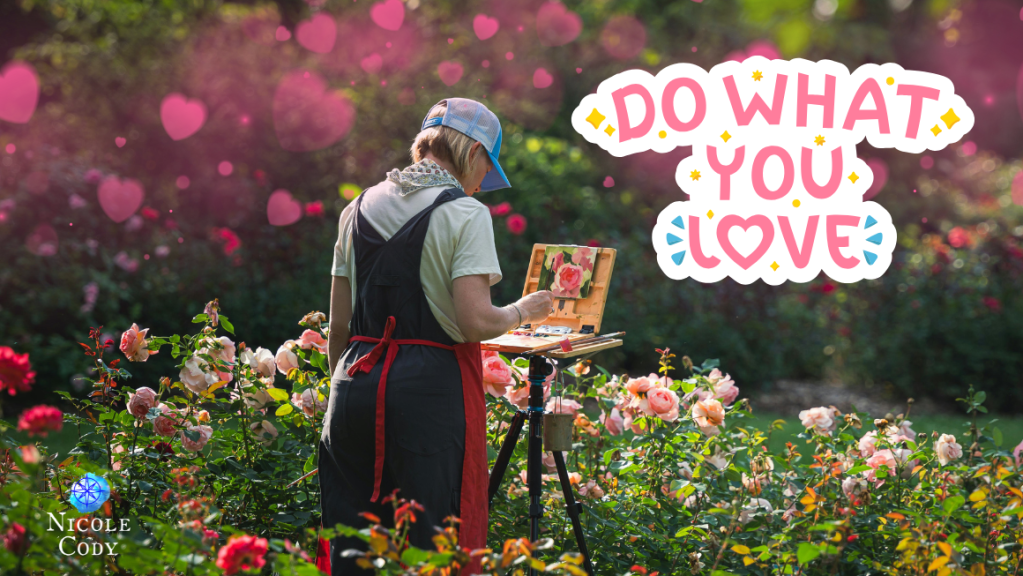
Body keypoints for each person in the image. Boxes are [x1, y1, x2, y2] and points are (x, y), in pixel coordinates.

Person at [318, 97, 554, 575]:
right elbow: (474, 322)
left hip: (353, 384)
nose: (480, 184)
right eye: (485, 168)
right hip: (427, 392)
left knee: (350, 541)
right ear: (473, 153)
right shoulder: (465, 213)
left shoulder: (356, 208)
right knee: (431, 541)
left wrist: (342, 393)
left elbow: (339, 327)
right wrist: (522, 309)